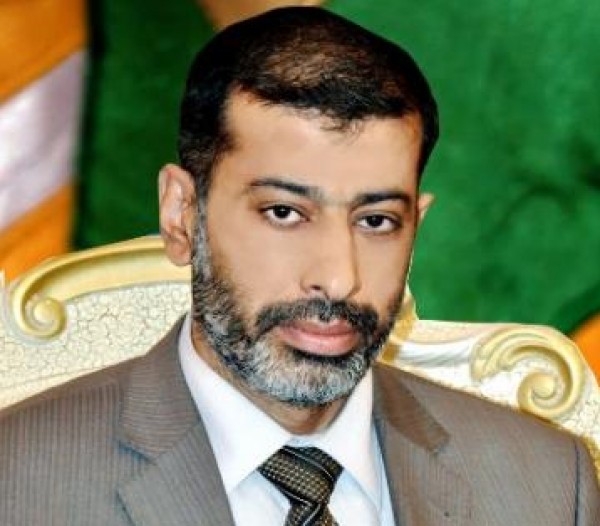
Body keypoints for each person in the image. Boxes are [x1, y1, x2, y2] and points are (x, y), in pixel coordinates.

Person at [0, 6, 598, 526]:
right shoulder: (19, 483)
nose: (339, 279)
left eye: (376, 220)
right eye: (284, 213)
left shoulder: (547, 485)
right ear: (182, 214)